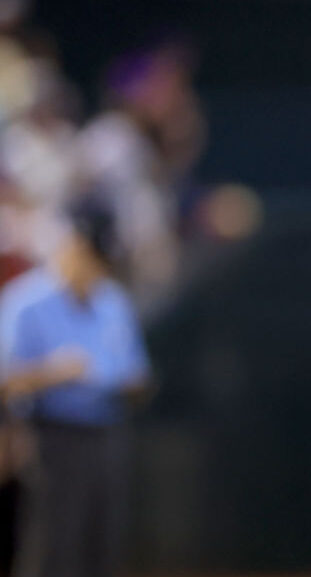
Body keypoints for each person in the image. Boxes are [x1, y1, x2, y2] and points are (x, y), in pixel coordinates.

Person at [0, 194, 151, 577]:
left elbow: (139, 376)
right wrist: (54, 372)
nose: (98, 267)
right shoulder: (25, 302)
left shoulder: (113, 301)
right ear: (72, 246)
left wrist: (127, 382)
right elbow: (6, 381)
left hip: (107, 430)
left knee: (102, 541)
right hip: (50, 434)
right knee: (54, 544)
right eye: (91, 254)